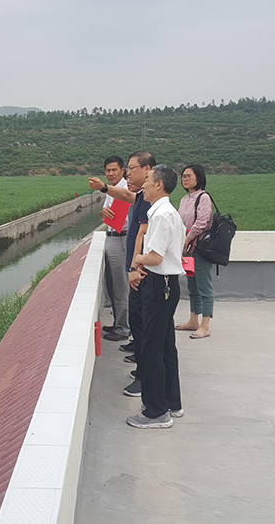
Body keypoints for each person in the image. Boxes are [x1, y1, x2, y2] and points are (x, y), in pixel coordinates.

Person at [89, 151, 156, 398]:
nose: (126, 174)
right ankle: (135, 350)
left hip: (145, 267)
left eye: (129, 169)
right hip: (122, 245)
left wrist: (136, 264)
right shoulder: (136, 196)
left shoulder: (147, 201)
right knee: (125, 297)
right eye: (109, 170)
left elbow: (145, 236)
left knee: (140, 310)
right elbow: (118, 205)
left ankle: (147, 377)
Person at [127, 165, 186, 429]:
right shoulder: (168, 212)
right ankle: (172, 402)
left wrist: (138, 260)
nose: (144, 184)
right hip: (167, 285)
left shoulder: (161, 215)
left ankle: (156, 412)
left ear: (159, 184)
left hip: (159, 286)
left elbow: (155, 257)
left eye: (148, 180)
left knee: (151, 348)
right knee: (165, 346)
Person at [93, 156, 131, 341]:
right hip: (112, 237)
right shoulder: (111, 190)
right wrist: (103, 213)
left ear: (122, 170)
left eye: (114, 170)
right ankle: (118, 323)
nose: (110, 173)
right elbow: (104, 216)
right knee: (113, 284)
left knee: (121, 285)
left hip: (122, 238)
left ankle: (123, 328)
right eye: (108, 170)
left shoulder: (125, 189)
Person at [175, 164, 214, 339]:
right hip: (187, 249)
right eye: (183, 176)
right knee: (192, 286)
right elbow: (179, 222)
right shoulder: (185, 199)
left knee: (204, 286)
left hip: (199, 248)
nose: (184, 179)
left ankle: (205, 325)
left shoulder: (203, 197)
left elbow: (203, 222)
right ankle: (193, 320)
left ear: (198, 178)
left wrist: (188, 238)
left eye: (188, 176)